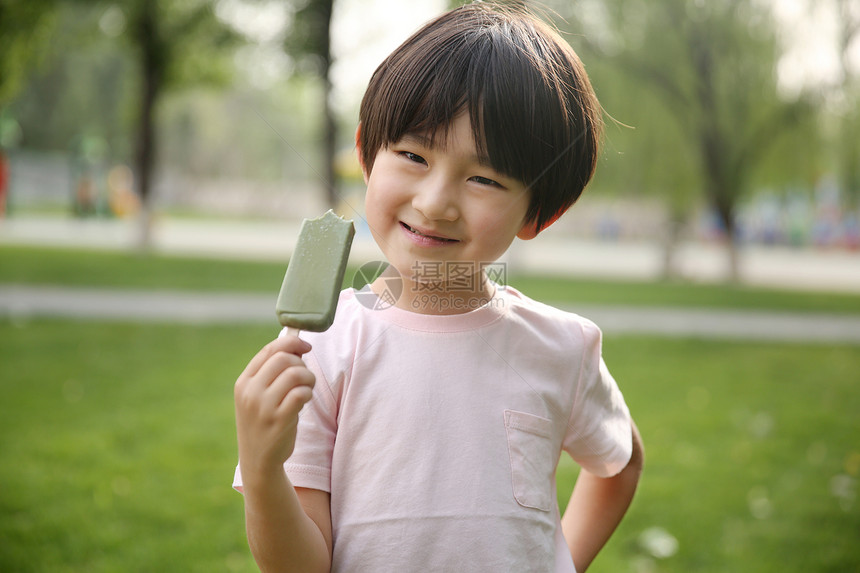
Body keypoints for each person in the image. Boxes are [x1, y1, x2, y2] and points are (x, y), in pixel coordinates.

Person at [233, 3, 644, 572]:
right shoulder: (319, 352)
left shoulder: (564, 348)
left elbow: (620, 462)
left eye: (484, 178)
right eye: (412, 155)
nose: (434, 203)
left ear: (539, 215)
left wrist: (561, 562)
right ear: (365, 156)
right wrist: (261, 469)